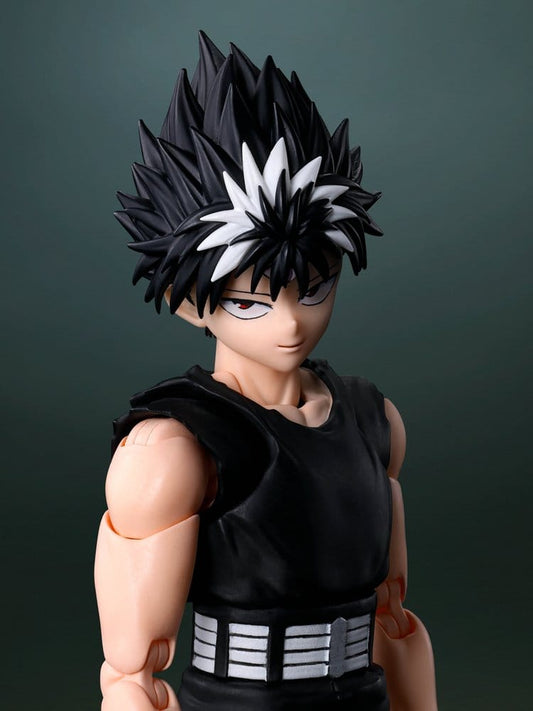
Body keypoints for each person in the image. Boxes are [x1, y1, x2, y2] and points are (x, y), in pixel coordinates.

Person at [94, 32, 437, 710]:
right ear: (187, 301)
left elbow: (393, 619)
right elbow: (131, 674)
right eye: (249, 301)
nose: (290, 324)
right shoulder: (173, 449)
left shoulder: (373, 422)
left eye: (314, 287)